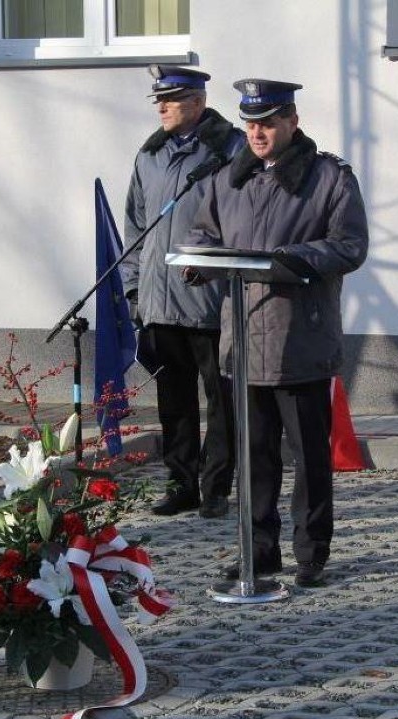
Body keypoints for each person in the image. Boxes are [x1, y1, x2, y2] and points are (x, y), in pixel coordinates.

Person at [182, 79, 369, 586]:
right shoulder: (228, 180)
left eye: (267, 123)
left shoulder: (329, 178)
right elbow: (204, 234)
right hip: (243, 343)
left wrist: (289, 261)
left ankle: (311, 553)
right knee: (254, 458)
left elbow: (349, 245)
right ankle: (258, 551)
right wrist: (199, 263)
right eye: (250, 124)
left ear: (292, 121)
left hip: (300, 341)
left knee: (309, 458)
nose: (257, 134)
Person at [121, 65, 243, 518]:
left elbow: (244, 221)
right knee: (174, 403)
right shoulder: (149, 154)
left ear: (197, 102)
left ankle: (216, 489)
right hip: (159, 301)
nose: (161, 107)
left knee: (222, 403)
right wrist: (135, 289)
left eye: (170, 99)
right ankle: (180, 484)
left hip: (212, 304)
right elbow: (135, 226)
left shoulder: (230, 149)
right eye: (159, 99)